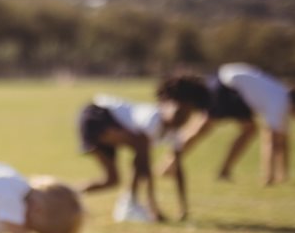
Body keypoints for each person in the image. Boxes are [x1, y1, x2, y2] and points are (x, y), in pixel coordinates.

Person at [159, 63, 295, 186]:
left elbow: (283, 141)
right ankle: (170, 164)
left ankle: (219, 171)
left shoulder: (281, 100)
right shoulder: (278, 102)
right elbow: (271, 140)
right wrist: (269, 177)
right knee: (204, 127)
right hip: (228, 86)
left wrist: (283, 175)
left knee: (244, 130)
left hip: (232, 86)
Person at [77, 76, 210, 222]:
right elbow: (145, 166)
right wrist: (153, 207)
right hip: (97, 115)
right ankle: (129, 206)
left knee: (112, 180)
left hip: (110, 125)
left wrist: (183, 208)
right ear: (166, 104)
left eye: (185, 114)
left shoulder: (175, 133)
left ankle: (70, 194)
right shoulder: (152, 118)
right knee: (141, 153)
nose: (180, 117)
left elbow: (177, 168)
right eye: (178, 111)